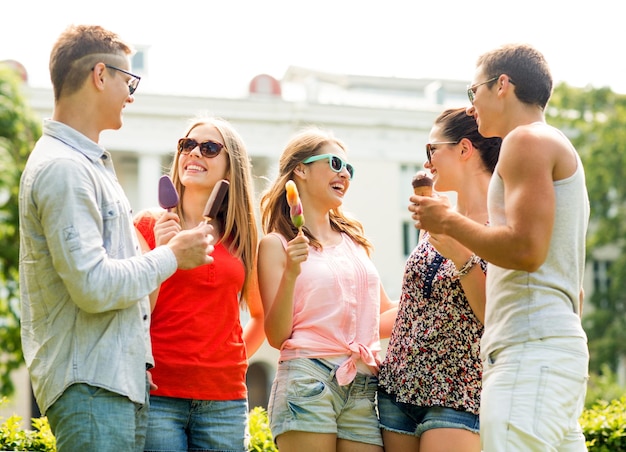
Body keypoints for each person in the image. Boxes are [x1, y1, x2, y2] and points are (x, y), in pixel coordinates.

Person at [18, 25, 214, 452]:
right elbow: (92, 286)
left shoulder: (86, 164)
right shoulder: (64, 169)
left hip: (112, 385)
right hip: (92, 387)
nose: (132, 93)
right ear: (100, 75)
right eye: (129, 81)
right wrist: (171, 256)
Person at [411, 43, 590, 451]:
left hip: (529, 357)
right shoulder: (547, 143)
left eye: (473, 92)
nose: (471, 107)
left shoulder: (526, 140)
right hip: (550, 351)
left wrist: (447, 222)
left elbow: (527, 250)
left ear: (502, 85)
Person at [257, 127, 397, 452]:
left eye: (349, 168)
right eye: (335, 163)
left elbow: (382, 316)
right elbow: (277, 336)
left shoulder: (355, 243)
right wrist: (292, 271)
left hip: (362, 384)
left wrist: (432, 294)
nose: (344, 174)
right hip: (308, 377)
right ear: (300, 169)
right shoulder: (276, 244)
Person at [134, 116, 265, 452]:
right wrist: (164, 255)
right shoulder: (148, 224)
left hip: (225, 401)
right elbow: (136, 312)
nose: (193, 153)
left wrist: (228, 362)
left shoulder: (244, 238)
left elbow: (261, 317)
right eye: (186, 145)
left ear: (229, 167)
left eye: (208, 148)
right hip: (158, 393)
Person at [378, 107, 501, 452]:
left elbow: (493, 316)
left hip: (458, 393)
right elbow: (411, 308)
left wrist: (462, 256)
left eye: (432, 149)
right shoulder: (436, 217)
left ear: (464, 149)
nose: (427, 161)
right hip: (398, 390)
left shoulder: (504, 225)